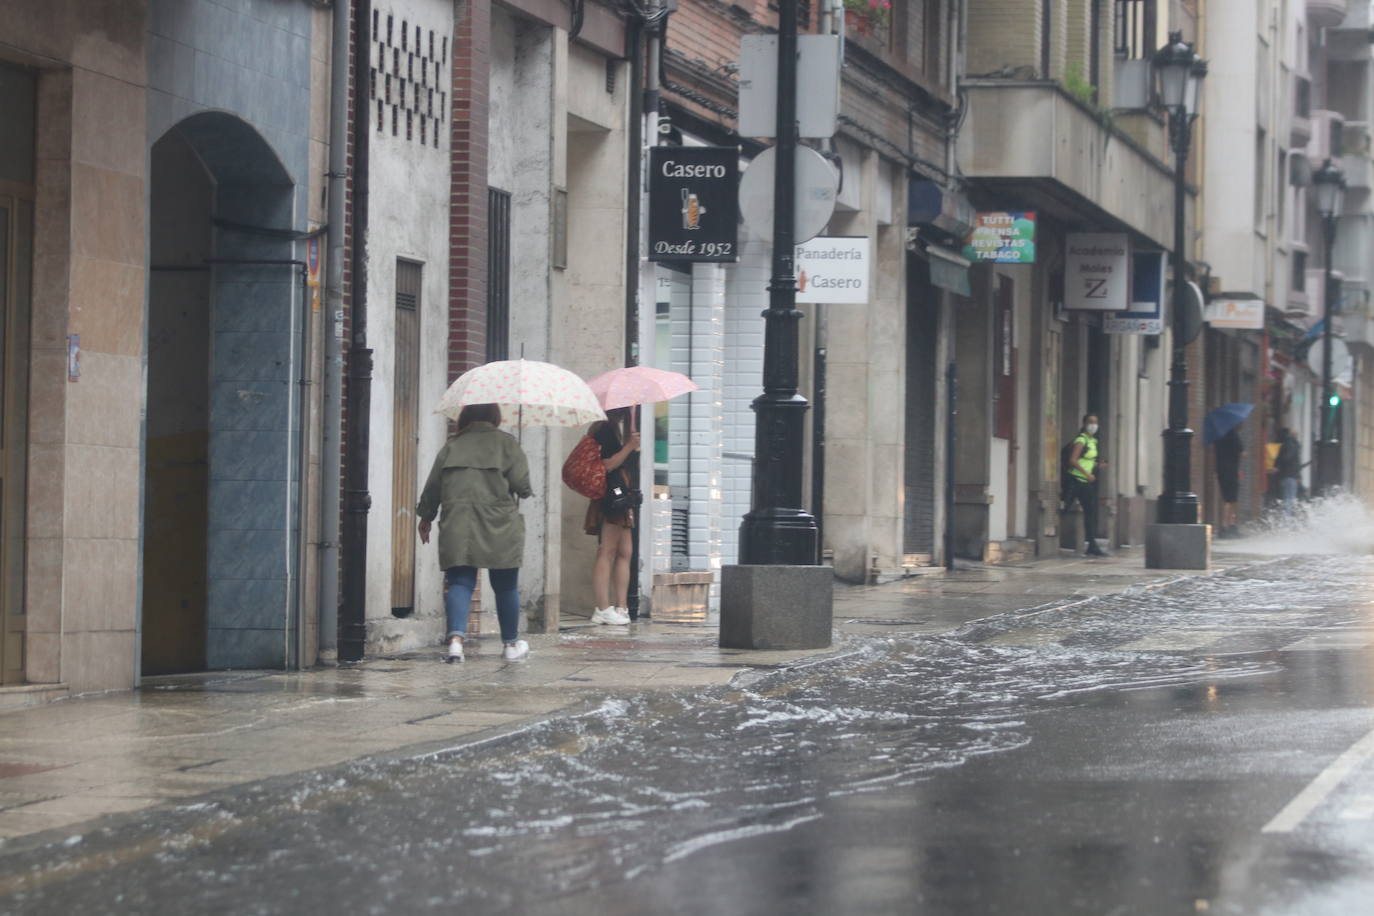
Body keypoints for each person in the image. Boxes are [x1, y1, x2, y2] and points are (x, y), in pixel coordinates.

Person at [417, 404, 533, 663]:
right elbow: (523, 487)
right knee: (505, 586)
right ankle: (510, 645)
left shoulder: (452, 446)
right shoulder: (507, 444)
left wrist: (426, 517)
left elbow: (433, 486)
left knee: (459, 581)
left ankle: (456, 643)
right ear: (495, 417)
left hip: (458, 521)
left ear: (466, 417)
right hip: (500, 523)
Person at [583, 409, 641, 625]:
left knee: (625, 552)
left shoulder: (616, 429)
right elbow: (607, 465)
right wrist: (628, 447)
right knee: (607, 550)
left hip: (622, 497)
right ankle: (602, 608)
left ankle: (621, 607)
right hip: (611, 497)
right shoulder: (603, 429)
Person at [1066, 413, 1107, 557]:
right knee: (1065, 509)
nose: (1093, 425)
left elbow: (1087, 460)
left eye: (1095, 422)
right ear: (1084, 424)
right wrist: (1087, 474)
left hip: (1085, 482)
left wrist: (1097, 465)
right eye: (1090, 422)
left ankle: (1092, 545)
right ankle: (1091, 545)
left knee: (1090, 513)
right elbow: (1073, 460)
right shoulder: (1081, 440)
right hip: (1077, 481)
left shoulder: (1093, 441)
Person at [1213, 426, 1244, 538]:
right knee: (1232, 499)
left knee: (1226, 498)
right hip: (1231, 470)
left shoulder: (1218, 435)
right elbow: (1240, 449)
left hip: (1221, 470)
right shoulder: (1232, 434)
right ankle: (1229, 525)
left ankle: (1224, 525)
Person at [1274, 426, 1302, 513]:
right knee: (1289, 499)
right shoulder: (1292, 444)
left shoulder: (1285, 444)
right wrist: (1298, 475)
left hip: (1286, 475)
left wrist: (1277, 466)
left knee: (1287, 498)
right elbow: (1290, 459)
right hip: (1290, 475)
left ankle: (1286, 519)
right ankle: (1287, 521)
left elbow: (1280, 458)